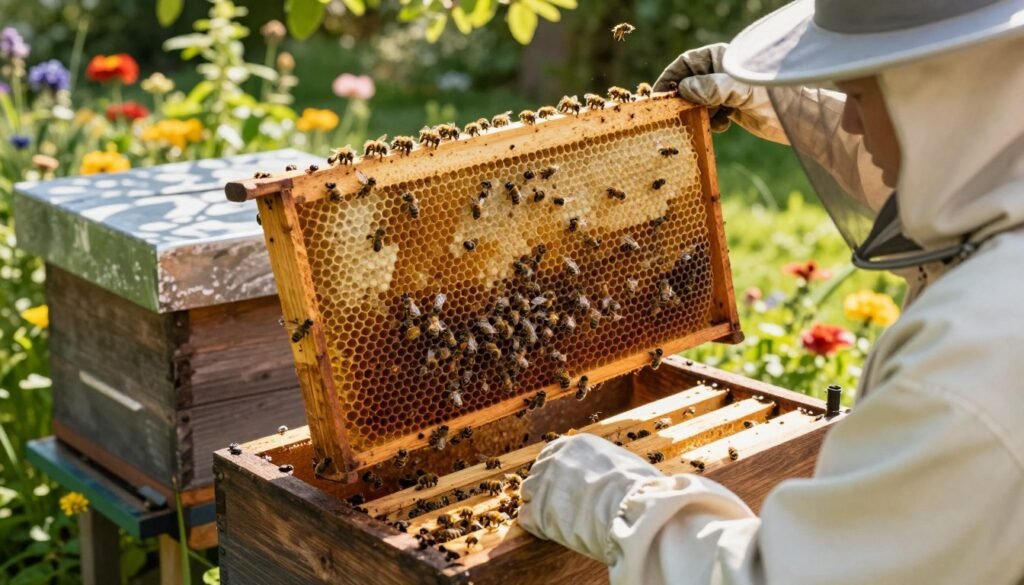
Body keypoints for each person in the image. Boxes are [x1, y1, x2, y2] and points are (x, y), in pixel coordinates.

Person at [518, 0, 1024, 583]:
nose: (853, 122)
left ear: (941, 98)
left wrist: (614, 504)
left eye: (859, 95)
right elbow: (945, 173)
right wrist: (784, 105)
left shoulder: (973, 365)